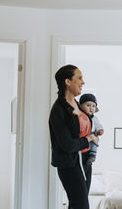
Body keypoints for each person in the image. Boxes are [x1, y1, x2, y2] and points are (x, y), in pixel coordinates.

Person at [49, 64, 99, 209]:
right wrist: (89, 139)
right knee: (80, 205)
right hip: (70, 165)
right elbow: (68, 145)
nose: (83, 82)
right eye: (79, 78)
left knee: (80, 205)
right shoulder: (58, 109)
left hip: (84, 162)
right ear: (68, 81)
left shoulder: (77, 104)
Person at [79, 93, 104, 165]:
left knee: (94, 143)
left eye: (93, 106)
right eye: (88, 105)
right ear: (80, 106)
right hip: (84, 136)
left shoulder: (94, 118)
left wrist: (100, 130)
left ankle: (93, 154)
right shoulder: (80, 116)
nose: (91, 108)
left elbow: (98, 125)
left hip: (92, 133)